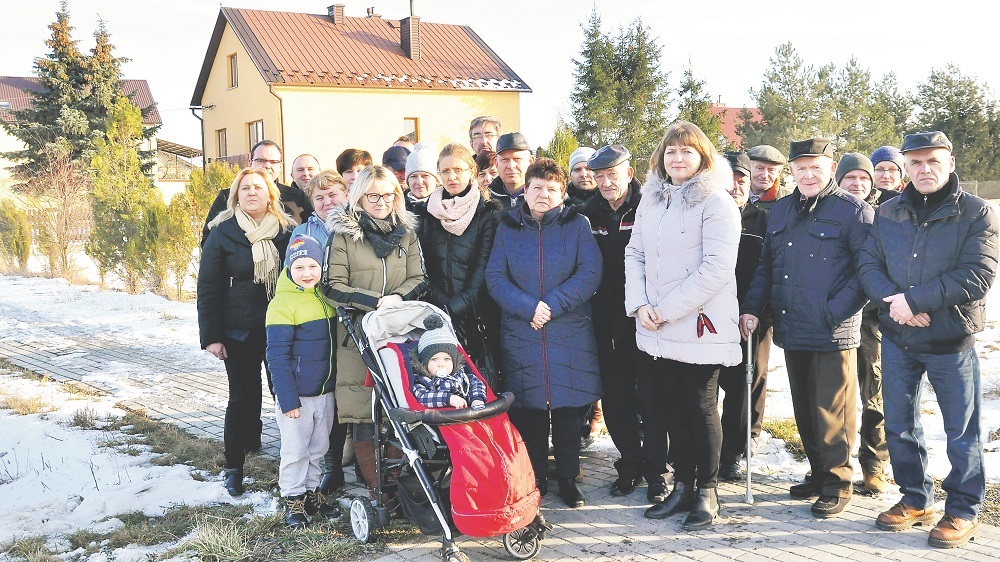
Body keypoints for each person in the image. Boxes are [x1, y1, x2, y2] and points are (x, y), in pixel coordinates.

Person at [859, 131, 998, 548]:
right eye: (915, 162)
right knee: (901, 426)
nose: (924, 169)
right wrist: (896, 304)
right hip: (898, 337)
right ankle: (916, 499)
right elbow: (868, 264)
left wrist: (915, 300)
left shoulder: (976, 213)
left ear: (950, 162)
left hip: (950, 340)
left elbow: (978, 274)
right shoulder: (889, 212)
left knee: (961, 431)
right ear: (906, 167)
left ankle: (962, 510)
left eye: (932, 161)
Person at [740, 138, 874, 519]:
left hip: (833, 331)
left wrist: (834, 313)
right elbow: (766, 266)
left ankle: (837, 483)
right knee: (805, 408)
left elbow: (866, 273)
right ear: (792, 172)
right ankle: (818, 474)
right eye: (801, 168)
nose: (808, 175)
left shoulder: (853, 211)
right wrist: (751, 307)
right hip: (792, 325)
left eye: (816, 167)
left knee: (832, 411)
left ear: (830, 169)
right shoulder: (781, 211)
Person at [625, 122, 740, 530]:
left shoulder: (716, 202)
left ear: (703, 158)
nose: (677, 158)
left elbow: (716, 269)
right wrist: (639, 304)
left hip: (698, 324)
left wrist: (667, 309)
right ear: (661, 157)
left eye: (687, 152)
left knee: (700, 406)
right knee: (672, 408)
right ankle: (683, 486)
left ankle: (707, 491)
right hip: (656, 324)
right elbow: (634, 252)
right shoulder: (652, 200)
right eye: (671, 151)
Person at [486, 158, 602, 509]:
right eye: (537, 187)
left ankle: (569, 477)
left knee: (568, 411)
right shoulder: (507, 227)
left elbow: (590, 273)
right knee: (530, 411)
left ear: (563, 194)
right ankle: (536, 478)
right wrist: (528, 308)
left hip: (568, 332)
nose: (543, 194)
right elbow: (495, 278)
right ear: (525, 190)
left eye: (552, 189)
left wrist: (551, 304)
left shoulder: (577, 225)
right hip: (523, 333)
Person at [321, 164, 427, 505]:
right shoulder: (343, 234)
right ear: (360, 196)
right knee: (363, 414)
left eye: (388, 194)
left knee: (400, 409)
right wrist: (373, 302)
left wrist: (396, 300)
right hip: (357, 336)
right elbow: (331, 286)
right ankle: (376, 489)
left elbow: (420, 278)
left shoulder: (407, 233)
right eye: (373, 195)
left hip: (399, 332)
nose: (381, 201)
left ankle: (397, 483)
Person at [198, 167, 294, 496]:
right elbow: (208, 286)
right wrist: (211, 336)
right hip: (238, 331)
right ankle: (234, 467)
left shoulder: (287, 230)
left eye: (258, 187)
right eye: (244, 188)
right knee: (242, 399)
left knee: (287, 397)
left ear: (270, 194)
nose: (252, 193)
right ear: (235, 196)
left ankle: (294, 464)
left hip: (282, 329)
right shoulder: (222, 232)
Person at [580, 144, 662, 501]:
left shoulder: (652, 206)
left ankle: (657, 471)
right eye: (599, 176)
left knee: (654, 399)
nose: (605, 182)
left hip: (648, 319)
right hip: (607, 323)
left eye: (612, 174)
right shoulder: (586, 213)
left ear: (629, 174)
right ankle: (629, 465)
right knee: (615, 400)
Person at [265, 234, 338, 528]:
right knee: (296, 450)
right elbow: (277, 356)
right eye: (299, 268)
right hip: (297, 395)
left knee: (318, 447)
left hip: (325, 391)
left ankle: (311, 492)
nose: (307, 273)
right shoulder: (282, 304)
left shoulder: (326, 297)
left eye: (313, 266)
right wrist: (287, 398)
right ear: (289, 269)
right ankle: (293, 499)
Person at [416, 143, 503, 386]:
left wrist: (453, 308)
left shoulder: (488, 214)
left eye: (458, 169)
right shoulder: (426, 214)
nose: (452, 176)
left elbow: (484, 269)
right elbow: (421, 266)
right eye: (445, 171)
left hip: (477, 318)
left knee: (480, 389)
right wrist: (440, 306)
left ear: (471, 171)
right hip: (436, 315)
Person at [287, 169, 350, 494]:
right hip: (319, 326)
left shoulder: (358, 225)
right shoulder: (302, 232)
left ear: (346, 194)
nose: (327, 202)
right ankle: (332, 466)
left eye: (333, 195)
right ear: (311, 202)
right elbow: (293, 278)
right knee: (328, 399)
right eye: (319, 197)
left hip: (354, 321)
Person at [835, 152, 890, 494]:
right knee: (834, 398)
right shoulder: (829, 213)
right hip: (836, 319)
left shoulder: (884, 217)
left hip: (871, 320)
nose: (857, 184)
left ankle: (874, 466)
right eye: (850, 178)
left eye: (864, 178)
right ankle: (832, 466)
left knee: (872, 394)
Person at [717, 151, 772, 482]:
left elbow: (769, 270)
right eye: (730, 178)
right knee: (707, 390)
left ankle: (732, 454)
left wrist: (758, 312)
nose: (736, 184)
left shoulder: (762, 220)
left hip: (750, 318)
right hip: (710, 319)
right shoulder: (706, 215)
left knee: (741, 389)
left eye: (742, 177)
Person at [201, 140, 312, 244]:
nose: (267, 166)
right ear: (250, 162)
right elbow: (208, 240)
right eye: (261, 161)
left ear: (280, 166)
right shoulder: (228, 197)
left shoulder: (297, 199)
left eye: (274, 162)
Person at [410, 313, 487, 410]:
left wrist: (477, 399)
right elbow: (422, 397)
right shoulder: (422, 380)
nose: (441, 364)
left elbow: (477, 383)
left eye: (446, 359)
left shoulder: (461, 376)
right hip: (442, 419)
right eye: (434, 359)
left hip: (468, 415)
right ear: (424, 363)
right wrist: (448, 398)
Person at [488, 132, 534, 210]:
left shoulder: (541, 197)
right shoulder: (486, 200)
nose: (511, 166)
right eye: (505, 160)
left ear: (530, 162)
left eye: (517, 159)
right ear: (496, 163)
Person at [746, 145, 788, 211]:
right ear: (748, 168)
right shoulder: (733, 195)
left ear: (778, 173)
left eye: (771, 170)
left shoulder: (788, 201)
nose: (764, 176)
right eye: (760, 168)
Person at [404, 143, 440, 211]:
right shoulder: (397, 208)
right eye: (413, 176)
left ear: (436, 179)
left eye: (425, 176)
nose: (419, 182)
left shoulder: (449, 207)